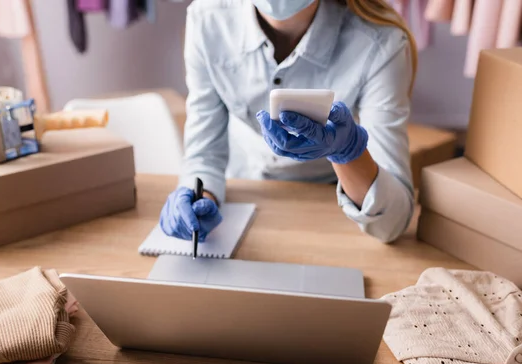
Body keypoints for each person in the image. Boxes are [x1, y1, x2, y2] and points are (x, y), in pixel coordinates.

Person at [159, 0, 417, 244]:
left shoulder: (381, 43)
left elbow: (392, 223)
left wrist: (347, 153)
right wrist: (199, 197)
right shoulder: (207, 20)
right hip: (244, 194)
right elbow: (204, 155)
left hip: (332, 209)